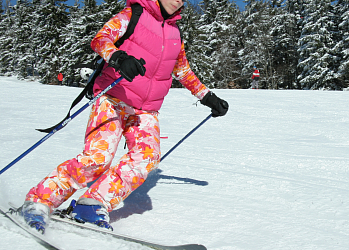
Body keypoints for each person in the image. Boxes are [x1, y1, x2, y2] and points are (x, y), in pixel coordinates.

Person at [20, 0, 229, 233]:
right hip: (113, 98)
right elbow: (101, 39)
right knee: (98, 158)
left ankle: (92, 203)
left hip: (146, 109)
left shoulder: (174, 33)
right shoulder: (134, 14)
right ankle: (40, 200)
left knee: (145, 159)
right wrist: (118, 57)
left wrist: (207, 96)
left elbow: (182, 70)